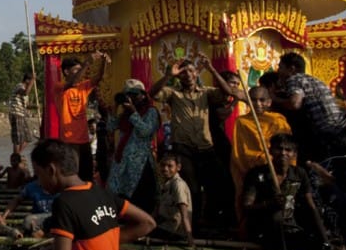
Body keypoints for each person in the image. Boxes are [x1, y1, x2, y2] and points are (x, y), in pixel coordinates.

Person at [150, 57, 243, 231]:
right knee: (191, 187)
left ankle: (214, 221)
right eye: (183, 72)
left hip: (205, 147)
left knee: (219, 182)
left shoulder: (206, 92)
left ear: (197, 73)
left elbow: (227, 92)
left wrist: (212, 70)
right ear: (179, 77)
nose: (188, 75)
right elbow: (153, 93)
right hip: (183, 147)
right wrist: (168, 75)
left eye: (191, 71)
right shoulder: (173, 93)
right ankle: (191, 225)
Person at [241, 133, 330, 250]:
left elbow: (311, 207)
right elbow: (246, 208)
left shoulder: (299, 173)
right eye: (279, 148)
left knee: (319, 248)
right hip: (263, 229)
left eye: (288, 150)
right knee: (276, 217)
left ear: (294, 154)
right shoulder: (257, 174)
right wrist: (270, 204)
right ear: (270, 151)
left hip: (290, 229)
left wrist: (325, 240)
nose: (283, 153)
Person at [274, 51, 346, 162]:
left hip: (325, 133)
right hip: (340, 130)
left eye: (281, 67)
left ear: (291, 69)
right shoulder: (316, 81)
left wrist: (274, 99)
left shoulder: (294, 79)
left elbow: (295, 104)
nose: (278, 71)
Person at [230, 85, 293, 213]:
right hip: (253, 171)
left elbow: (287, 147)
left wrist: (274, 160)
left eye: (262, 100)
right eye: (253, 100)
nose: (258, 104)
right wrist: (263, 160)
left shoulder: (277, 120)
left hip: (277, 168)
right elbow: (241, 152)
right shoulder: (242, 122)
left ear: (269, 102)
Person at [55, 52, 110, 183]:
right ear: (67, 72)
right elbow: (72, 81)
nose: (80, 73)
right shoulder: (59, 87)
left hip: (84, 139)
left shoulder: (83, 86)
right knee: (72, 175)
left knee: (87, 175)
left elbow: (98, 77)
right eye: (76, 70)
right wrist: (87, 63)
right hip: (69, 139)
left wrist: (103, 62)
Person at [105, 79, 159, 214]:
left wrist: (134, 113)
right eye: (128, 95)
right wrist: (115, 108)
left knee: (140, 194)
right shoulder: (125, 114)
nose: (132, 98)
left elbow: (146, 132)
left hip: (140, 162)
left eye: (135, 94)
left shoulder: (150, 111)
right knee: (119, 193)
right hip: (122, 161)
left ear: (143, 95)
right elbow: (111, 127)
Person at [151, 152, 194, 244]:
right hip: (164, 227)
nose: (165, 169)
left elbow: (184, 215)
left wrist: (189, 238)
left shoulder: (178, 185)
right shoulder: (165, 184)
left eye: (170, 166)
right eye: (163, 165)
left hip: (173, 232)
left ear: (178, 167)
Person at [9, 73, 39, 155]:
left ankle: (17, 155)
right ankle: (16, 157)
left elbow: (26, 105)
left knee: (28, 138)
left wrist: (36, 106)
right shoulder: (19, 86)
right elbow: (25, 92)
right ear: (27, 80)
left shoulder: (25, 92)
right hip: (16, 113)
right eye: (30, 81)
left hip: (22, 114)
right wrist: (33, 80)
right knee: (17, 139)